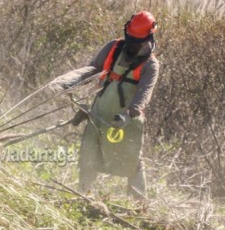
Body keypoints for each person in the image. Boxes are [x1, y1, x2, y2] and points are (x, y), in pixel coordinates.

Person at [50, 11, 160, 198]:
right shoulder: (113, 47)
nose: (132, 43)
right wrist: (66, 82)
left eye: (137, 40)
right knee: (89, 153)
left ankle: (139, 205)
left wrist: (129, 114)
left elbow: (144, 94)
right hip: (99, 112)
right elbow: (92, 69)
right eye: (130, 38)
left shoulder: (151, 65)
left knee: (132, 162)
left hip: (126, 120)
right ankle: (85, 195)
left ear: (148, 37)